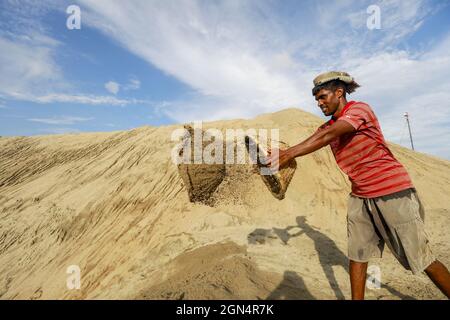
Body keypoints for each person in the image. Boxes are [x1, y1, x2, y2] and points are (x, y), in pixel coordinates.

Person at [266, 71, 450, 300]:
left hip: (392, 191)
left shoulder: (359, 110)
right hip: (360, 196)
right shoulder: (327, 127)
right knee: (357, 255)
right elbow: (316, 139)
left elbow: (329, 135)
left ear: (339, 92)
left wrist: (288, 153)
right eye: (316, 99)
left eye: (323, 97)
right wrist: (279, 157)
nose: (319, 103)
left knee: (421, 257)